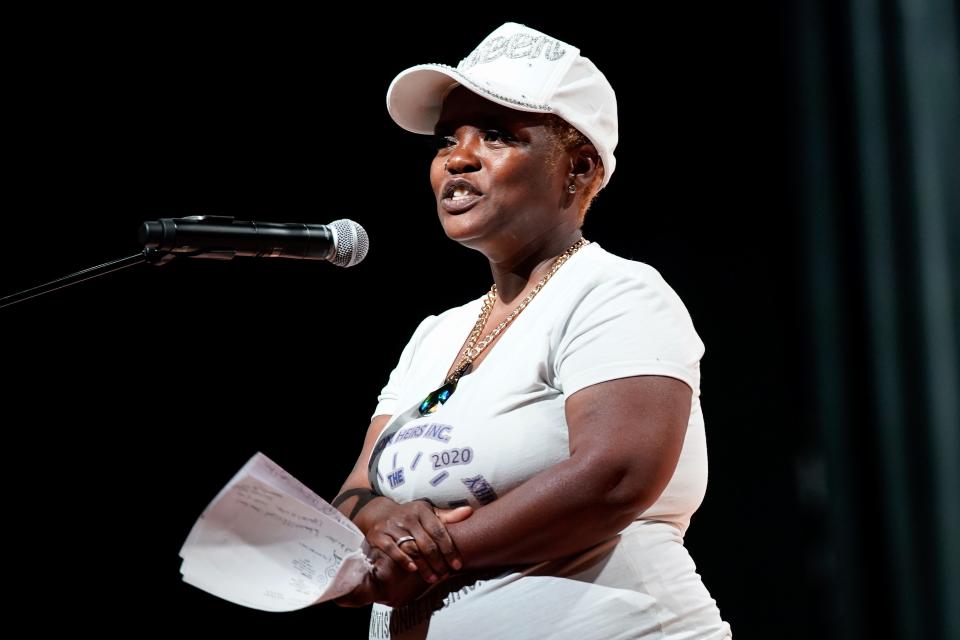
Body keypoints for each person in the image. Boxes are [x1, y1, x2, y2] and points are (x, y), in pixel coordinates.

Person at [332, 22, 732, 640]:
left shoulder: (615, 291)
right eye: (446, 141)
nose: (457, 159)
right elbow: (357, 491)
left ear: (577, 169)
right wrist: (384, 520)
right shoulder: (436, 334)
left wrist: (433, 552)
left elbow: (614, 476)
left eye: (495, 135)